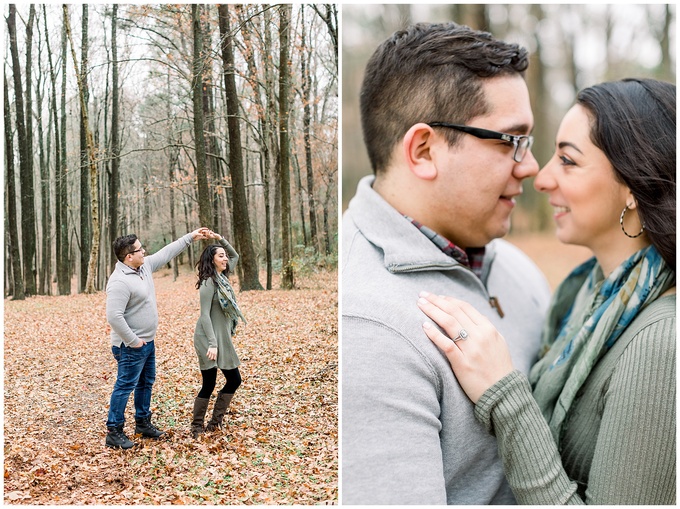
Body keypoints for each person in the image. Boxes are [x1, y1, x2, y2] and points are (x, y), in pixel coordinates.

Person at [419, 78, 676, 504]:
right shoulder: (586, 299)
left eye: (568, 161)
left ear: (632, 188)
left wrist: (507, 397)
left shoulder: (660, 343)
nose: (541, 177)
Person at [342, 22, 552, 504]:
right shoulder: (366, 326)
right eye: (510, 140)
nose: (531, 167)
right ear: (424, 150)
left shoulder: (518, 270)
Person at [105, 227, 210, 449]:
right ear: (128, 256)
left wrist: (190, 237)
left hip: (147, 342)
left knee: (145, 383)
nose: (144, 252)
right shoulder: (119, 282)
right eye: (139, 249)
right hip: (129, 345)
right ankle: (114, 431)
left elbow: (166, 253)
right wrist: (133, 341)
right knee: (125, 385)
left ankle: (142, 423)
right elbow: (114, 317)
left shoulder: (144, 268)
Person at [190, 230, 246, 438]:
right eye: (220, 255)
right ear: (211, 260)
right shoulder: (208, 282)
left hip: (223, 338)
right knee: (209, 383)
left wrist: (219, 238)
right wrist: (212, 344)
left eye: (224, 255)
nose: (225, 258)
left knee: (234, 379)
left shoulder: (223, 279)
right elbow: (204, 316)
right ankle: (196, 427)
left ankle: (215, 422)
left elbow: (235, 256)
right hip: (208, 338)